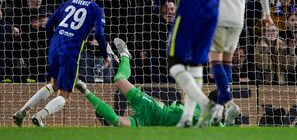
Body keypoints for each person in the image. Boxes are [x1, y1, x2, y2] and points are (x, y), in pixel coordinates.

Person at [13, 0, 111, 127]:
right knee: (65, 94)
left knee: (53, 84)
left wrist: (54, 41)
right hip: (70, 51)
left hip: (55, 45)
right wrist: (105, 55)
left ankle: (22, 111)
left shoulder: (67, 3)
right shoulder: (96, 8)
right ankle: (40, 116)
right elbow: (99, 34)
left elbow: (49, 25)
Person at [209, 0, 272, 126]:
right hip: (237, 18)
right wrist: (267, 13)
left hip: (218, 16)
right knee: (227, 63)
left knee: (216, 63)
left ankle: (230, 103)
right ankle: (220, 110)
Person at [76, 38, 220, 127]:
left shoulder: (215, 122)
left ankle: (85, 90)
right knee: (119, 79)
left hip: (150, 127)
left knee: (118, 122)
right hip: (154, 110)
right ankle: (125, 55)